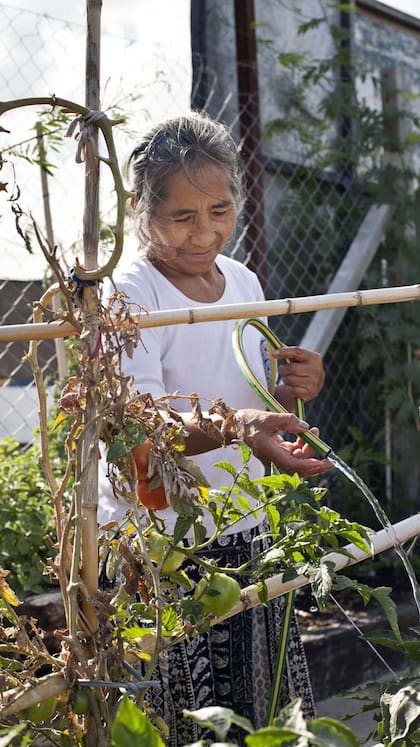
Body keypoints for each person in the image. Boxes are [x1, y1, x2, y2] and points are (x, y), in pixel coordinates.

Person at [99, 111, 332, 745]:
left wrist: (286, 394)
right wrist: (242, 425)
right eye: (182, 217)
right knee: (182, 716)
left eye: (221, 211)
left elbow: (246, 397)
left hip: (244, 527)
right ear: (139, 207)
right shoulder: (129, 294)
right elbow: (138, 423)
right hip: (166, 540)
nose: (205, 233)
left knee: (256, 709)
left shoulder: (244, 281)